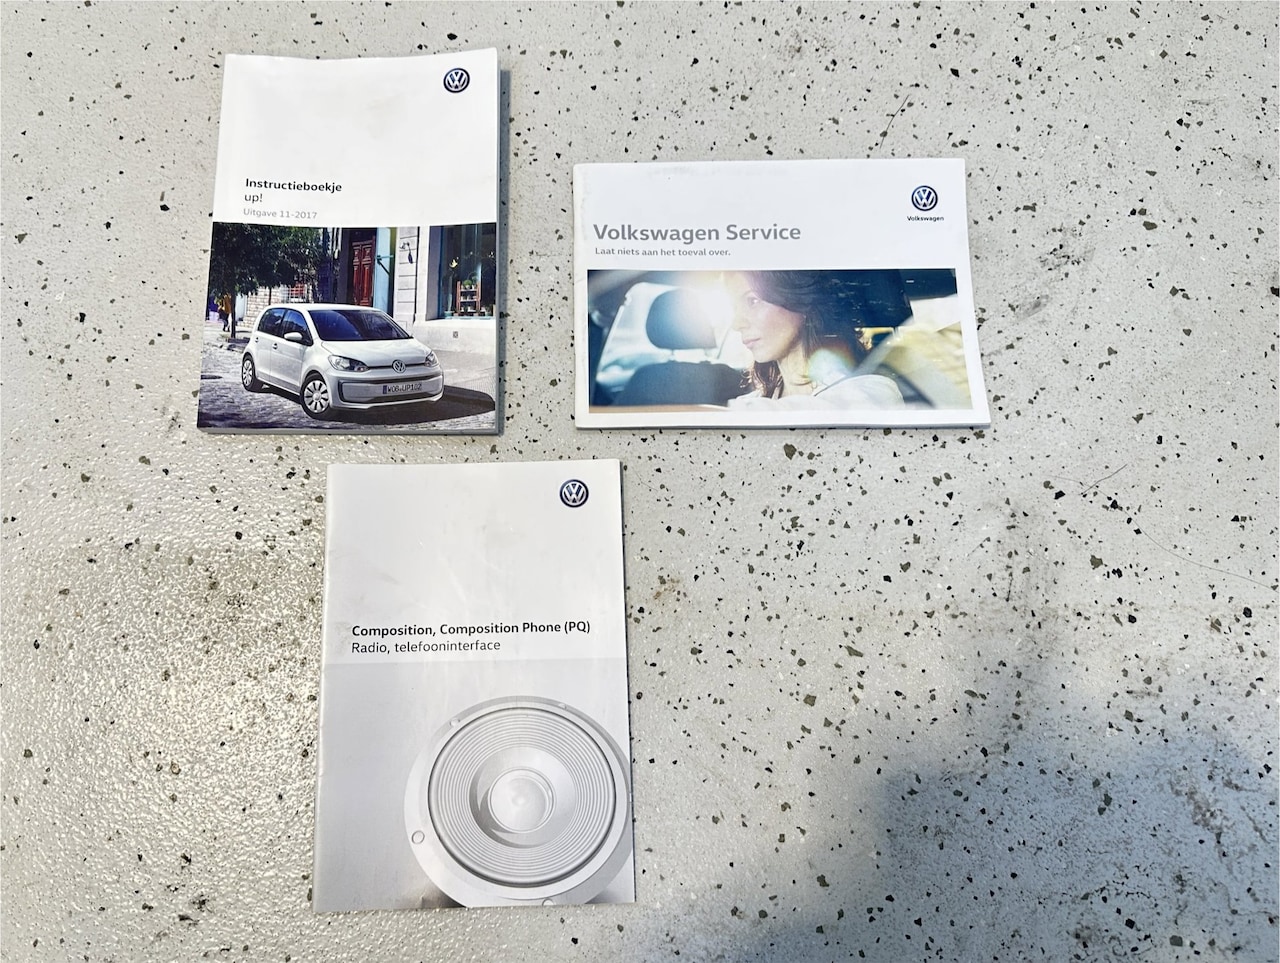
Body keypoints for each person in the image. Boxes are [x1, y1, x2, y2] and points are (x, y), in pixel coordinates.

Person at [724, 270, 903, 410]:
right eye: (734, 308)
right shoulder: (754, 400)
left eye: (752, 301)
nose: (736, 324)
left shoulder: (873, 393)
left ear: (798, 298)